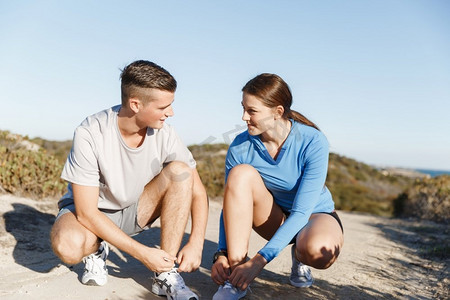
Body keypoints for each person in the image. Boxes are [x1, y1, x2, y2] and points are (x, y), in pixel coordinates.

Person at [50, 60, 208, 300]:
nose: (171, 113)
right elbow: (86, 213)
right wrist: (142, 253)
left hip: (135, 209)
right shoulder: (90, 132)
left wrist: (196, 242)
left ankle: (165, 274)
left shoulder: (166, 132)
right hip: (91, 214)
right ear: (135, 104)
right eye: (164, 106)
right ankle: (96, 249)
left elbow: (197, 190)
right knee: (68, 247)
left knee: (180, 171)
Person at [210, 73, 344, 299]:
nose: (244, 117)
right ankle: (236, 277)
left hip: (314, 215)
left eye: (252, 111)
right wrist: (221, 253)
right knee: (240, 174)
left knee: (317, 252)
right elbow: (230, 205)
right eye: (243, 108)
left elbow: (302, 212)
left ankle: (300, 256)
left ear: (277, 112)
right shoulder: (240, 147)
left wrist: (259, 261)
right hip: (275, 216)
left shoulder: (313, 141)